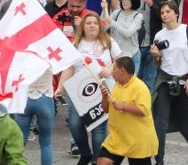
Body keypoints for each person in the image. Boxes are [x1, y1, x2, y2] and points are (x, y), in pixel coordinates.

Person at [57, 11, 122, 165]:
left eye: (95, 23)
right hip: (79, 90)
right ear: (83, 27)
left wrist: (110, 68)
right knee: (74, 124)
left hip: (102, 90)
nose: (92, 25)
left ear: (99, 26)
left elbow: (120, 59)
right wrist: (60, 87)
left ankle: (95, 160)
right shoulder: (76, 44)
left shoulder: (108, 41)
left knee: (99, 128)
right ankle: (85, 152)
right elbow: (69, 68)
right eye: (88, 23)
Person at [150, 1, 188, 165]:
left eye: (167, 11)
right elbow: (158, 63)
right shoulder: (159, 35)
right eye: (162, 12)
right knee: (160, 124)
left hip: (184, 81)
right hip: (165, 81)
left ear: (175, 13)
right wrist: (155, 56)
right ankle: (159, 161)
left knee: (184, 124)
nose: (164, 15)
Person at [98, 56, 159, 165]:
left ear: (122, 71)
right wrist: (104, 96)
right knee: (103, 162)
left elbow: (143, 110)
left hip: (137, 141)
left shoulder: (140, 87)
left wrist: (122, 106)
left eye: (114, 69)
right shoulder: (116, 86)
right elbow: (106, 110)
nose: (112, 73)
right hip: (118, 138)